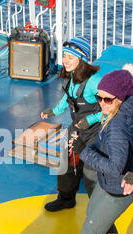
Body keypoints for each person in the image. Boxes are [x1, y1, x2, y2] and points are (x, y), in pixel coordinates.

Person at [70, 64, 133, 234]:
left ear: (120, 98)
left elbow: (114, 166)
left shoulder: (118, 126)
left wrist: (83, 150)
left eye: (107, 99)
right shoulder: (119, 111)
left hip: (117, 188)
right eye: (98, 97)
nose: (101, 103)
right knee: (94, 215)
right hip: (108, 185)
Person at [40, 36, 102, 212]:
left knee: (92, 173)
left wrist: (90, 120)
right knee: (67, 161)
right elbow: (69, 98)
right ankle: (66, 198)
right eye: (64, 56)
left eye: (70, 57)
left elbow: (111, 107)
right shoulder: (70, 76)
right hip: (77, 127)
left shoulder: (95, 82)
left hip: (96, 131)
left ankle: (98, 209)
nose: (65, 60)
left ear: (82, 59)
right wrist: (55, 110)